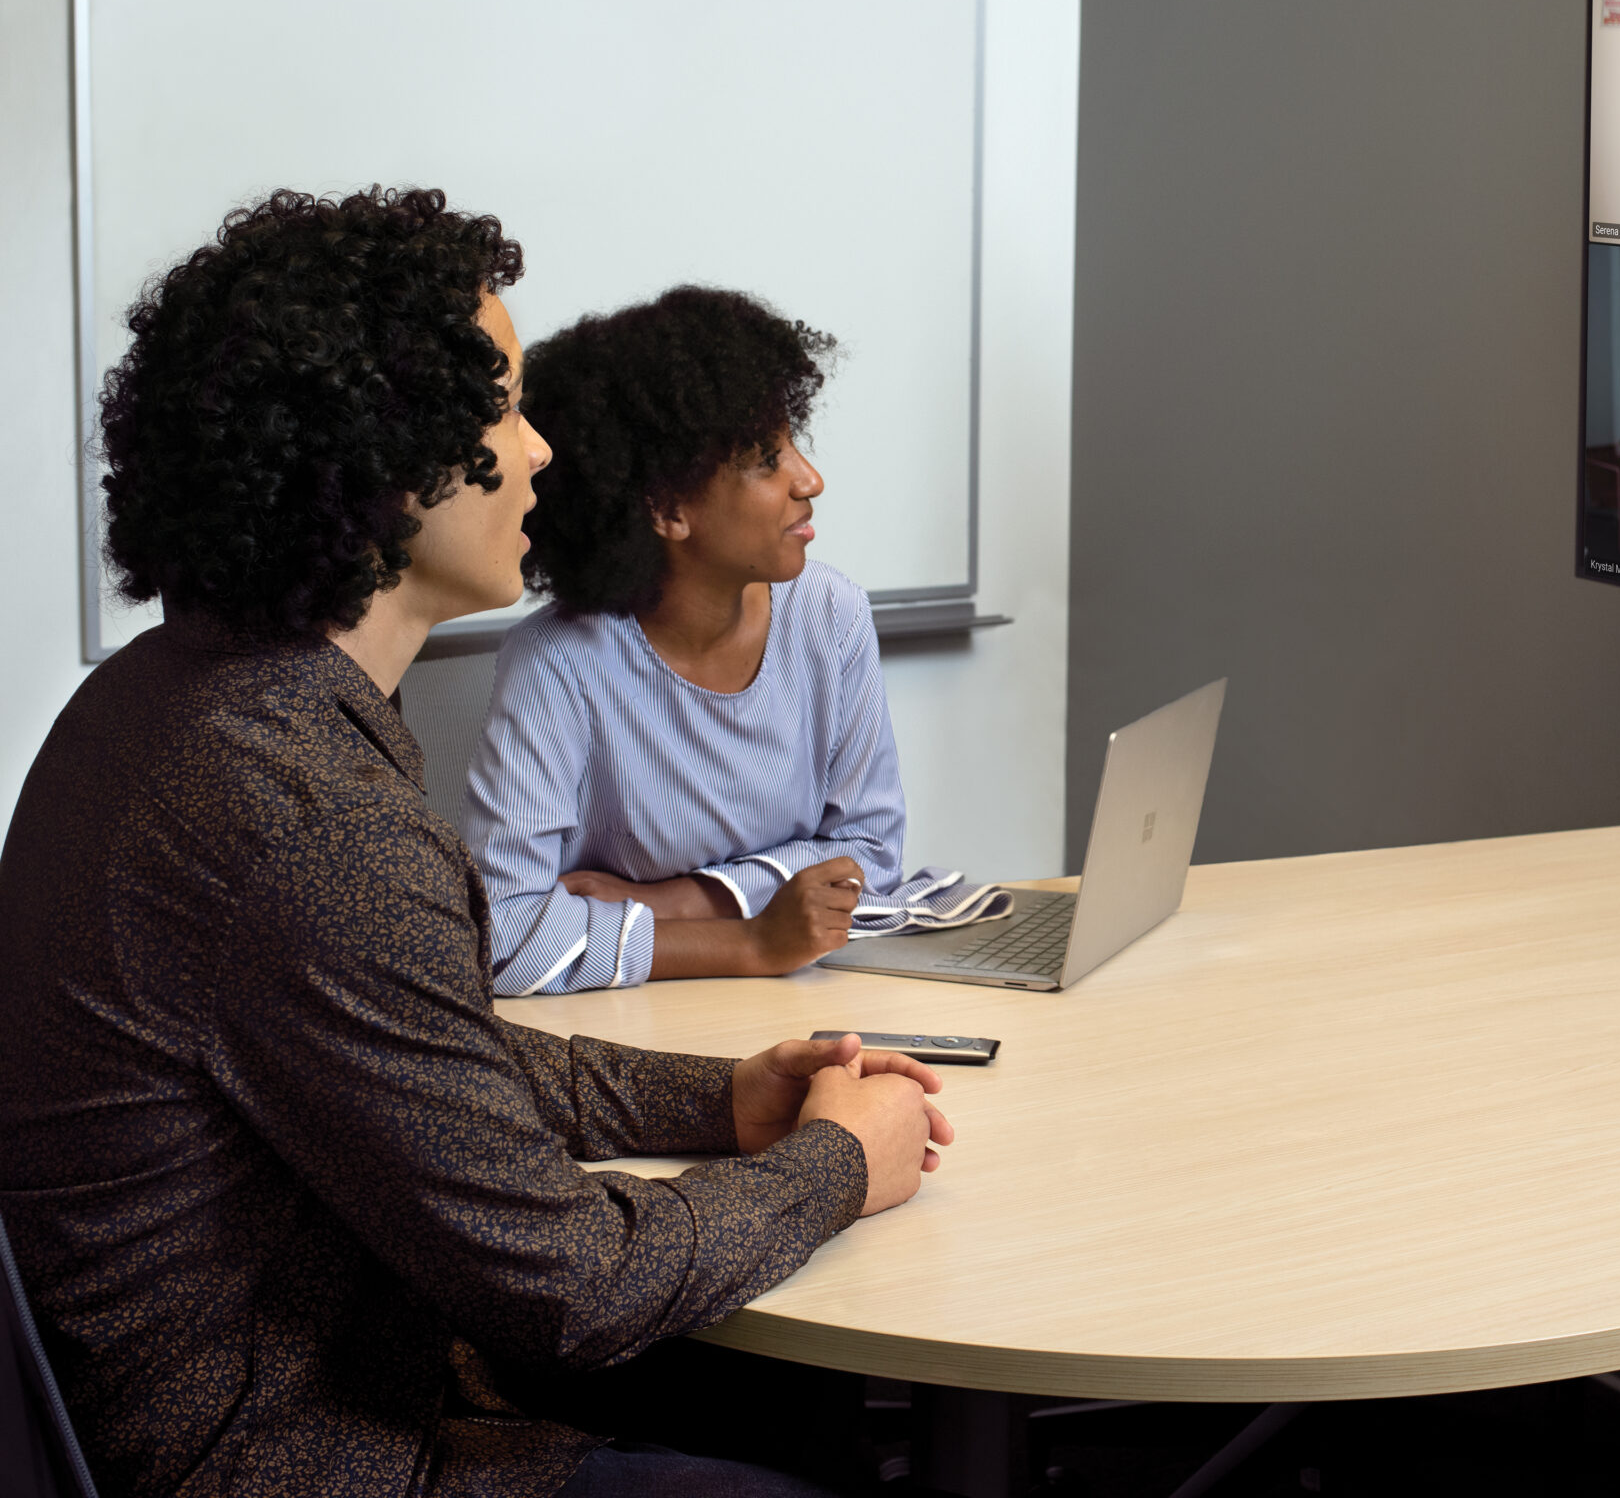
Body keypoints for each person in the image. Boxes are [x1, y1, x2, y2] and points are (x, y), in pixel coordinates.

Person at [0, 188, 952, 1498]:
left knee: (781, 1395)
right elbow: (574, 1289)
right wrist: (835, 1166)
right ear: (389, 463)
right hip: (304, 1454)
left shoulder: (180, 697)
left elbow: (427, 1049)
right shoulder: (308, 820)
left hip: (294, 1384)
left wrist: (716, 1099)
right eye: (503, 405)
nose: (544, 449)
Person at [461, 286, 906, 995]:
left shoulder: (832, 615)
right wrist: (750, 942)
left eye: (796, 444)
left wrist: (681, 902)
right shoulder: (557, 665)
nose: (810, 480)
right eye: (766, 459)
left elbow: (870, 861)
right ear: (668, 509)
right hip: (623, 1031)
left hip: (795, 1000)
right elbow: (505, 937)